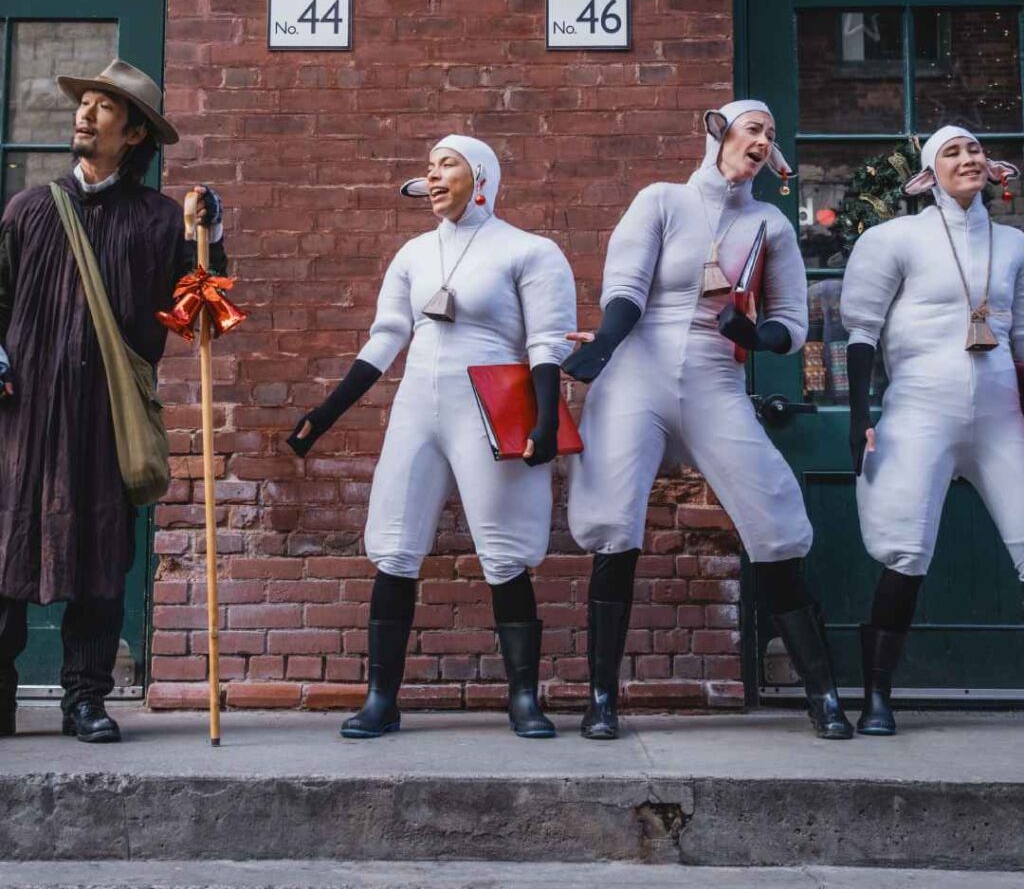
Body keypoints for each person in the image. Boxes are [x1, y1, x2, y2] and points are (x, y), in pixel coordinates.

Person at [564, 100, 853, 741]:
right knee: (614, 520)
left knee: (773, 514)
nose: (764, 139)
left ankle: (824, 693)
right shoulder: (662, 201)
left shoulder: (768, 225)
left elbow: (791, 324)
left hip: (713, 375)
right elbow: (626, 288)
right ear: (719, 131)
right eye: (755, 128)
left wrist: (755, 332)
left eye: (772, 135)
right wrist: (600, 349)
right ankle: (601, 698)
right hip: (635, 369)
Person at [289, 135, 576, 739]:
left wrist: (546, 420)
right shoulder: (414, 253)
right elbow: (387, 335)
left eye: (447, 164)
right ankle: (380, 699)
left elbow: (547, 342)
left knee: (503, 553)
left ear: (481, 176)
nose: (433, 174)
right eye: (429, 167)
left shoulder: (529, 251)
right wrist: (330, 409)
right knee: (393, 547)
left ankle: (524, 698)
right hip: (418, 404)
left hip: (488, 403)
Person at [0, 59, 225, 742]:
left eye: (103, 107)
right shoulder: (28, 209)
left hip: (106, 419)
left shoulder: (161, 222)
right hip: (22, 418)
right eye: (86, 103)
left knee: (100, 558)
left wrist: (209, 237)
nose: (85, 114)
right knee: (5, 551)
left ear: (134, 135)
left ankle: (85, 699)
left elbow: (202, 317)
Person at [842, 125, 1023, 736]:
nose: (968, 158)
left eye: (975, 150)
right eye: (953, 151)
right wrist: (861, 415)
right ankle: (877, 696)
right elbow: (862, 331)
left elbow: (1021, 338)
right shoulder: (895, 238)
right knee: (905, 551)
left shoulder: (1015, 244)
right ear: (927, 175)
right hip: (921, 409)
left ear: (994, 169)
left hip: (1002, 416)